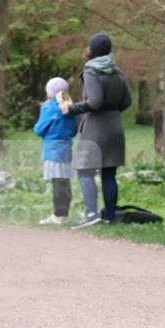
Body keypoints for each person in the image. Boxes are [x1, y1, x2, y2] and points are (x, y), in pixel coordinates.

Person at [59, 32, 132, 229]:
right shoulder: (118, 71)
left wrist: (70, 108)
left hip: (95, 128)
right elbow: (127, 101)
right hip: (115, 126)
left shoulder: (91, 71)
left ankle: (91, 214)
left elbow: (95, 101)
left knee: (84, 171)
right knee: (109, 173)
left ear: (92, 50)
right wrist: (113, 113)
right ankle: (109, 217)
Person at [33, 77, 78, 224]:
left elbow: (39, 130)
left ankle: (58, 216)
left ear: (49, 92)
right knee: (64, 181)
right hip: (66, 148)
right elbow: (74, 130)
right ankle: (63, 214)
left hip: (53, 150)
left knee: (57, 183)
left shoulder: (48, 108)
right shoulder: (69, 108)